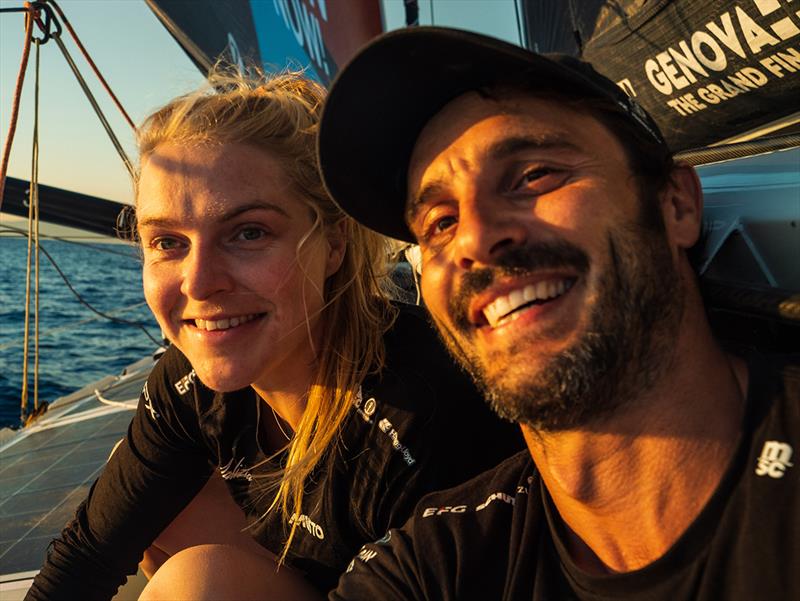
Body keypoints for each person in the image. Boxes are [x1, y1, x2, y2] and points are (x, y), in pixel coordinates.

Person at [318, 27, 800, 600]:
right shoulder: (435, 562)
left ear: (676, 205)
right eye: (439, 223)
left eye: (533, 176)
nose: (473, 237)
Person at [26, 69, 524, 600]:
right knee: (153, 521)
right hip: (313, 566)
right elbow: (89, 553)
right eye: (167, 241)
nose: (198, 283)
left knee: (198, 585)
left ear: (333, 244)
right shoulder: (187, 385)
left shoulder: (421, 420)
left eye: (248, 232)